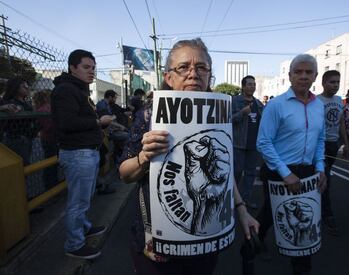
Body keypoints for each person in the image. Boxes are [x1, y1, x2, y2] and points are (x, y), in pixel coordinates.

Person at [118, 38, 259, 275]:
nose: (193, 73)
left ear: (209, 76)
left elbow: (224, 174)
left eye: (201, 67)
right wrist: (144, 157)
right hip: (156, 245)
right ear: (169, 76)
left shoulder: (220, 112)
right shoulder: (150, 114)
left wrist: (241, 209)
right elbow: (124, 174)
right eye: (183, 67)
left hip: (203, 245)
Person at [256, 54, 327, 275]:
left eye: (309, 72)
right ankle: (254, 243)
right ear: (290, 76)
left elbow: (320, 139)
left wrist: (321, 168)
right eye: (298, 72)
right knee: (271, 212)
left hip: (307, 171)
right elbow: (263, 142)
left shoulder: (318, 106)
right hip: (279, 170)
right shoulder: (276, 105)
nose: (304, 76)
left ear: (315, 76)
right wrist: (285, 173)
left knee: (307, 216)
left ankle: (301, 267)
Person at [51, 49, 113, 259]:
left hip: (86, 152)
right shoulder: (66, 90)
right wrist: (98, 122)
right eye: (86, 67)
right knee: (78, 202)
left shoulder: (78, 89)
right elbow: (66, 123)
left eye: (93, 68)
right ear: (72, 67)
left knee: (84, 198)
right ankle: (74, 244)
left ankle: (84, 228)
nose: (92, 72)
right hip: (77, 153)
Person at [317, 70, 349, 236]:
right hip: (320, 145)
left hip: (334, 144)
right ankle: (326, 213)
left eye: (337, 82)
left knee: (324, 177)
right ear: (323, 83)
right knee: (325, 177)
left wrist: (345, 143)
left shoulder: (338, 101)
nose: (335, 85)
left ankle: (322, 207)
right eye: (332, 82)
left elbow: (341, 122)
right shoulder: (317, 100)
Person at [232, 75, 264, 209]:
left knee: (250, 174)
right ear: (243, 86)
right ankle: (232, 199)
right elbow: (228, 119)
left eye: (254, 84)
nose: (252, 86)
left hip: (254, 145)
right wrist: (242, 113)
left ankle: (245, 200)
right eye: (249, 84)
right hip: (238, 143)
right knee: (237, 172)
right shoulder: (235, 101)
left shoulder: (258, 103)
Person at [1, 77, 36, 165]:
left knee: (25, 165)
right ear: (16, 88)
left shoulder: (26, 104)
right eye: (24, 86)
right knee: (18, 167)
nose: (27, 87)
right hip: (15, 138)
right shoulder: (8, 102)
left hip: (26, 138)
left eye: (27, 85)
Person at [33, 90, 59, 189]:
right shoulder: (45, 109)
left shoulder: (41, 108)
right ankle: (51, 184)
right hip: (50, 138)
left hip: (48, 138)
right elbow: (48, 127)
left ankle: (51, 184)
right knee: (52, 163)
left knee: (51, 162)